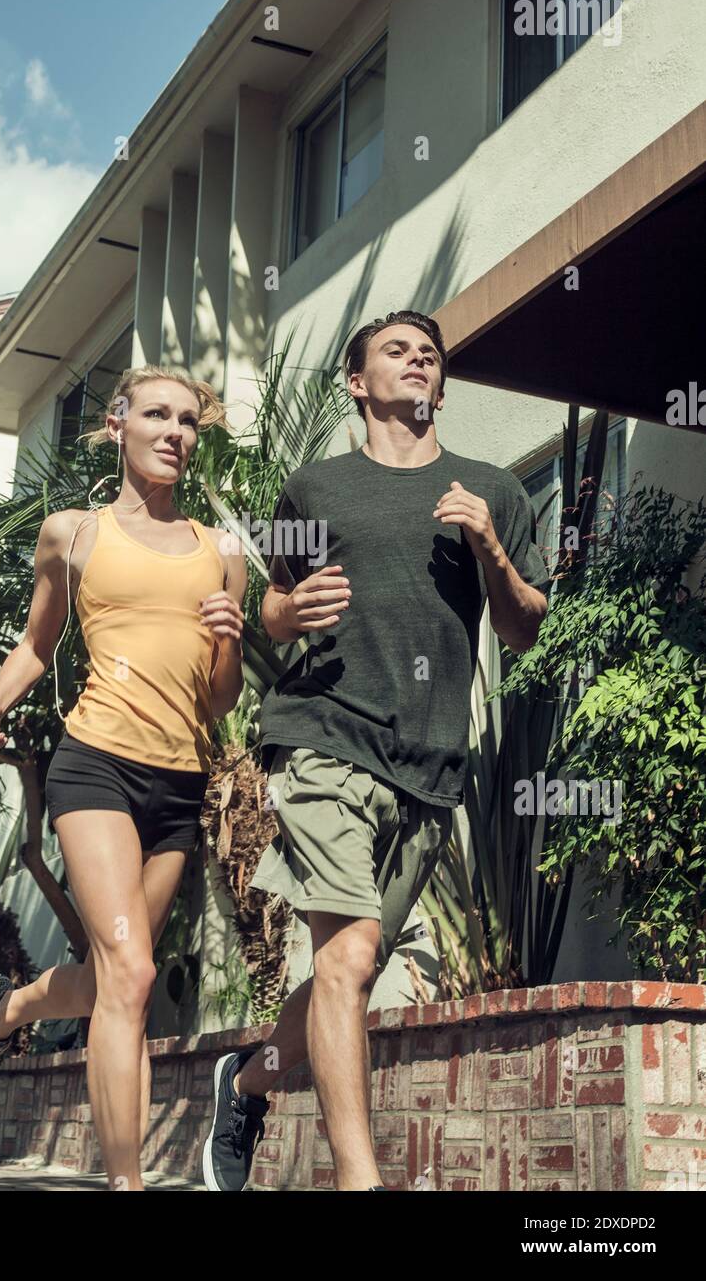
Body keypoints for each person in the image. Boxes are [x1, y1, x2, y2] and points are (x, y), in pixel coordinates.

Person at [203, 310, 551, 1192]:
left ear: (442, 387)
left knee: (342, 972)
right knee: (351, 955)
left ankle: (244, 1083)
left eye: (429, 355)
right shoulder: (315, 488)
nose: (419, 360)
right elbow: (271, 608)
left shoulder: (491, 489)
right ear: (358, 384)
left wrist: (491, 547)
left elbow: (522, 631)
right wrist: (289, 610)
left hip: (430, 769)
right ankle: (362, 1183)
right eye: (397, 351)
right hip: (324, 736)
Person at [0, 366, 247, 1192]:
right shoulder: (73, 534)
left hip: (180, 780)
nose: (175, 433)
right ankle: (127, 1185)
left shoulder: (221, 552)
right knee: (136, 974)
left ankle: (11, 1010)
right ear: (117, 424)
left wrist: (227, 639)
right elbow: (36, 645)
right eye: (157, 415)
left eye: (188, 421)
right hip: (95, 765)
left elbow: (220, 698)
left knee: (110, 979)